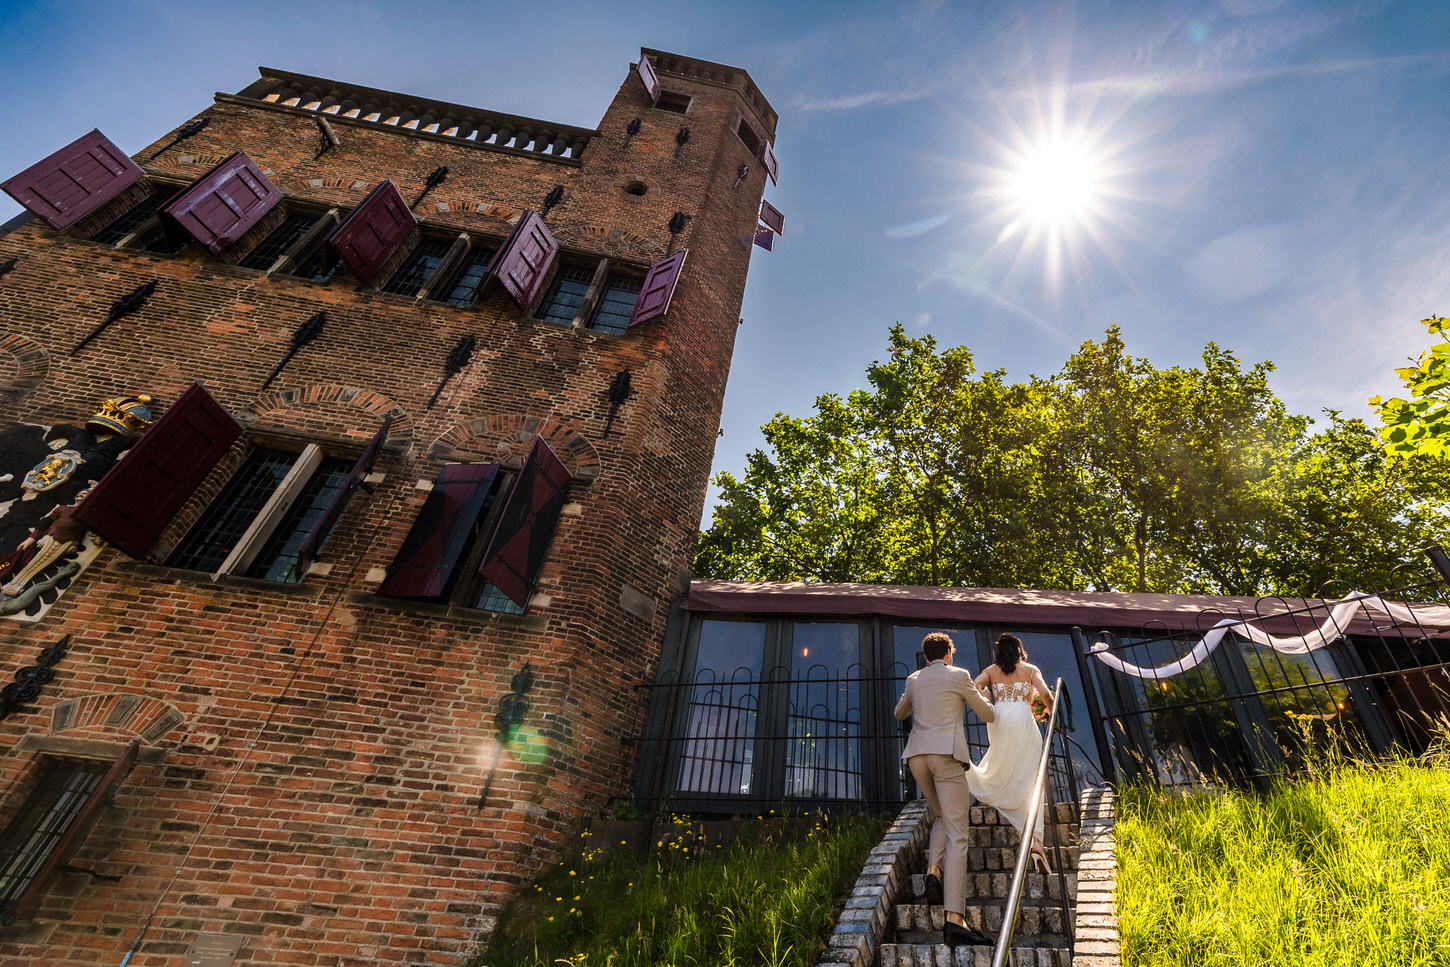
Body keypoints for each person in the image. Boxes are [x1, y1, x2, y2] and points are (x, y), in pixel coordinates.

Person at [894, 631, 996, 947]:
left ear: (926, 657)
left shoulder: (913, 679)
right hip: (947, 756)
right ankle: (954, 920)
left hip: (916, 758)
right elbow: (987, 713)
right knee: (958, 833)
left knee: (941, 816)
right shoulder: (960, 675)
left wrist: (913, 695)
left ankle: (933, 871)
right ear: (948, 654)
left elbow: (900, 713)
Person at [967, 633, 1055, 873]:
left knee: (1008, 772)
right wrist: (1050, 711)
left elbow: (975, 685)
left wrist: (985, 697)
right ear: (1019, 650)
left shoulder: (991, 670)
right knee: (1031, 779)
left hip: (1000, 719)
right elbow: (1045, 694)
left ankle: (1029, 840)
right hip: (1023, 720)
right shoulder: (1029, 669)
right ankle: (1036, 842)